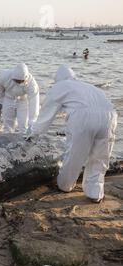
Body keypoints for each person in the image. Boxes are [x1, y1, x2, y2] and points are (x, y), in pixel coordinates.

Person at [27, 65, 118, 203]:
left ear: (58, 79)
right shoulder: (89, 86)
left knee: (75, 154)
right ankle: (95, 192)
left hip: (84, 117)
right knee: (100, 157)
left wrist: (33, 134)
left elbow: (46, 116)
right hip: (110, 117)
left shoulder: (59, 87)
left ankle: (65, 186)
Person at [0, 63, 40, 134]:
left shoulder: (32, 84)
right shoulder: (4, 76)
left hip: (23, 101)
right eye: (16, 81)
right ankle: (8, 137)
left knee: (23, 124)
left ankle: (24, 138)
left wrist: (32, 121)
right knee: (8, 124)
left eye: (21, 81)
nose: (18, 83)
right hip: (8, 98)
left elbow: (34, 102)